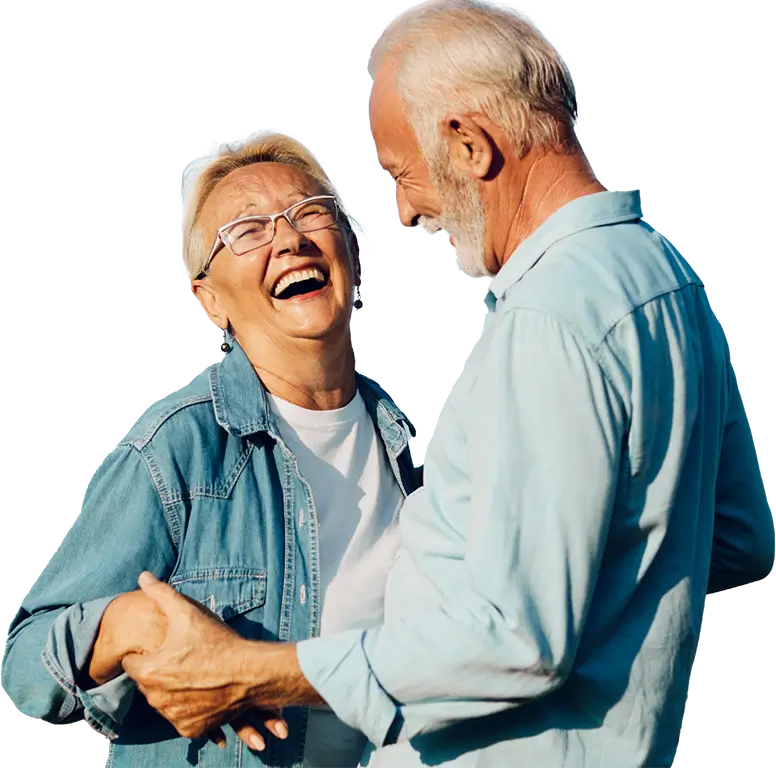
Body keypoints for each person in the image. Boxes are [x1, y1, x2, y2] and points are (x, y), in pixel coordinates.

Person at [112, 2, 776, 767]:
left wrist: (254, 672)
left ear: (468, 144)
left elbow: (515, 640)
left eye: (401, 173)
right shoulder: (668, 279)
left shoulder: (548, 323)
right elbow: (737, 540)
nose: (403, 213)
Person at [0, 128, 421, 767]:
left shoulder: (414, 450)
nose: (289, 239)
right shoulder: (178, 448)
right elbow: (20, 663)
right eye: (247, 231)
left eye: (310, 212)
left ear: (355, 258)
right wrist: (128, 624)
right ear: (211, 301)